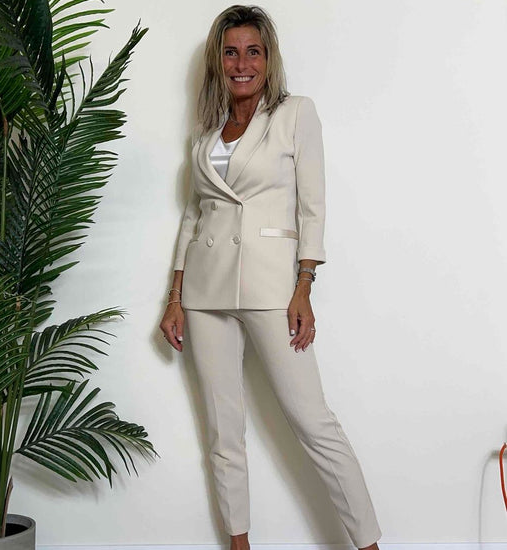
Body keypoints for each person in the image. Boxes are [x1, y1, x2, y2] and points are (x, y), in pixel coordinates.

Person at [159, 5, 382, 550]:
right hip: (205, 292)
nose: (242, 63)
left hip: (272, 288)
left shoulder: (295, 113)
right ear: (218, 61)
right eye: (231, 52)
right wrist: (175, 296)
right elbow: (193, 216)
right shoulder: (205, 132)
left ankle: (370, 545)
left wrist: (304, 285)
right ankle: (239, 544)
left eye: (252, 52)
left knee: (314, 423)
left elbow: (312, 206)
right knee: (223, 431)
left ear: (268, 58)